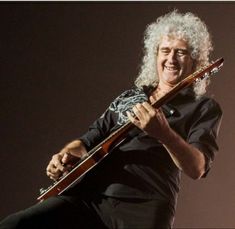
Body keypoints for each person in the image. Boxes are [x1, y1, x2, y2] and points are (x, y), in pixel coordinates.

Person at [0, 10, 222, 229]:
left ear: (195, 60)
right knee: (15, 224)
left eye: (180, 52)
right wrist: (64, 156)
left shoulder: (203, 107)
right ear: (155, 55)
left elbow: (197, 167)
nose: (171, 58)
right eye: (165, 50)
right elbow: (86, 142)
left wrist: (163, 134)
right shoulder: (128, 97)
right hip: (90, 199)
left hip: (145, 207)